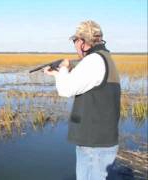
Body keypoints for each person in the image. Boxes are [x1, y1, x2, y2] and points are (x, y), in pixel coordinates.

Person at [43, 20, 121, 180]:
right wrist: (58, 74)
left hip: (94, 145)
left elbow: (66, 90)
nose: (75, 45)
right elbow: (81, 83)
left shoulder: (93, 61)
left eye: (75, 41)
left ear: (83, 42)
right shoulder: (104, 58)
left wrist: (64, 67)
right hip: (100, 142)